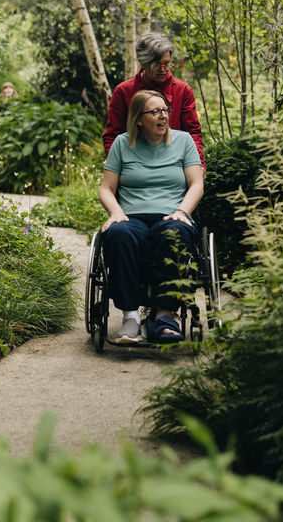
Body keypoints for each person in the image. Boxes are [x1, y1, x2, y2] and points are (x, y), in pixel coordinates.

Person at [99, 89, 203, 344]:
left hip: (171, 215)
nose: (163, 116)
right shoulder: (122, 144)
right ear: (138, 119)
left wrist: (181, 212)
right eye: (155, 111)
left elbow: (197, 184)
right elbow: (106, 188)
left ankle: (163, 316)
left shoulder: (184, 140)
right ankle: (131, 317)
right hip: (131, 217)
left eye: (165, 110)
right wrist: (116, 212)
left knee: (176, 233)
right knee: (118, 233)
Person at [102, 32, 204, 167]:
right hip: (134, 165)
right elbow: (112, 136)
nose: (163, 70)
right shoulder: (123, 91)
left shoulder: (183, 91)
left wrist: (198, 164)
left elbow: (193, 133)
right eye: (157, 65)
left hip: (174, 164)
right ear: (143, 63)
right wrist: (116, 168)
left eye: (167, 64)